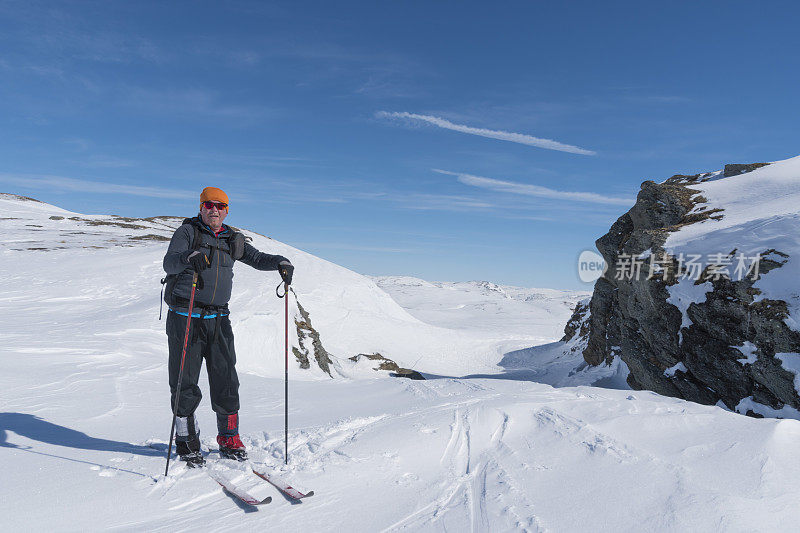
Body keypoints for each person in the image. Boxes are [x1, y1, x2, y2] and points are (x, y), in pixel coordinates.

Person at [162, 186, 293, 466]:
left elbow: (256, 258)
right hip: (185, 317)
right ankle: (186, 438)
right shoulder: (187, 233)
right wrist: (188, 257)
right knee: (184, 380)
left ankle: (229, 436)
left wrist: (280, 263)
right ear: (200, 207)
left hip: (219, 319)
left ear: (227, 210)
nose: (214, 210)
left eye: (220, 206)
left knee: (226, 379)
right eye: (209, 205)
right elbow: (169, 263)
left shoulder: (232, 238)